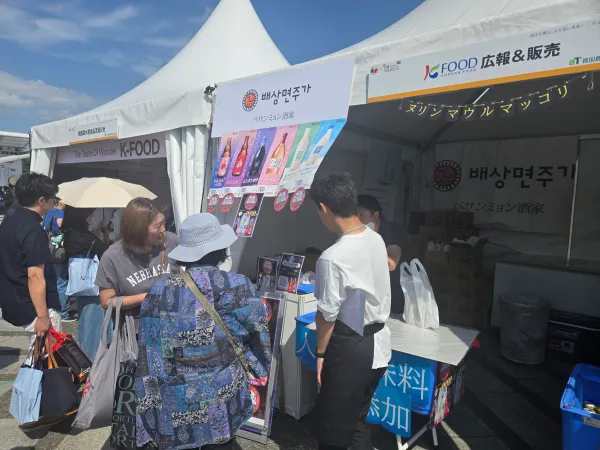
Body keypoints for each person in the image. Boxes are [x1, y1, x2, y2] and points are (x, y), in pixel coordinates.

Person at [135, 213, 272, 450]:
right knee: (221, 443)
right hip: (222, 393)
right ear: (221, 249)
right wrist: (258, 364)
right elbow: (258, 332)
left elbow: (149, 347)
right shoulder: (237, 285)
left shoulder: (160, 290)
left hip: (175, 398)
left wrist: (150, 402)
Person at [310, 173, 391, 450]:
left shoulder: (333, 257)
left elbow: (327, 315)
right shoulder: (375, 238)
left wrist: (321, 354)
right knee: (357, 420)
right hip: (378, 345)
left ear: (324, 208)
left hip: (351, 349)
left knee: (333, 430)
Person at [0, 173, 63, 347]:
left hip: (15, 300)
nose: (54, 203)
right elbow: (35, 276)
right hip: (36, 306)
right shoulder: (33, 230)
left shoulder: (9, 221)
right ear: (41, 200)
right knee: (49, 357)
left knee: (37, 356)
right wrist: (42, 316)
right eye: (53, 199)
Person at [95, 198, 179, 320]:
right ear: (139, 230)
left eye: (163, 223)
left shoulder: (171, 241)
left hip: (174, 322)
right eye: (158, 226)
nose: (163, 229)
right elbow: (106, 301)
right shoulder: (112, 257)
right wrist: (150, 296)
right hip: (137, 326)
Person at [63, 206, 108, 360]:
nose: (91, 218)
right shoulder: (87, 237)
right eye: (90, 215)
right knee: (93, 321)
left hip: (79, 281)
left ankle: (84, 353)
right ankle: (91, 357)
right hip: (91, 283)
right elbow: (104, 251)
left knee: (84, 319)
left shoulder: (69, 234)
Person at [357, 194, 404, 314]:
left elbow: (391, 263)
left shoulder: (391, 230)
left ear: (375, 216)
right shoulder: (359, 235)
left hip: (394, 297)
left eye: (361, 215)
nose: (357, 220)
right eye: (354, 216)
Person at [43, 200, 74, 321]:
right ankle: (64, 313)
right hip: (59, 251)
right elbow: (59, 224)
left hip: (50, 250)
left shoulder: (50, 211)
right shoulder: (60, 212)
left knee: (55, 280)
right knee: (62, 282)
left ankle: (53, 307)